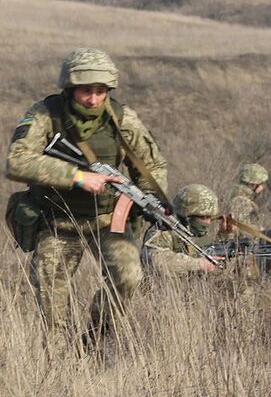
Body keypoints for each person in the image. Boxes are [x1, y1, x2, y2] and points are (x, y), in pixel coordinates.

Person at [5, 47, 167, 347]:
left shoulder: (122, 118)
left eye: (100, 91)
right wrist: (77, 177)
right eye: (85, 91)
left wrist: (151, 199)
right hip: (57, 223)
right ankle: (61, 369)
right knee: (52, 307)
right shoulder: (44, 116)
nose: (93, 99)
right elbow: (17, 161)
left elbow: (152, 165)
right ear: (69, 88)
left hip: (106, 221)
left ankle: (94, 339)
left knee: (129, 277)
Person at [142, 184, 234, 276]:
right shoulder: (164, 231)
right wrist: (198, 264)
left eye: (209, 217)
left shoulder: (196, 234)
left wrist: (225, 235)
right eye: (202, 217)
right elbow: (155, 260)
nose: (208, 222)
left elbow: (210, 257)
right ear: (186, 216)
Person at [229, 163, 268, 228]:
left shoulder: (236, 195)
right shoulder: (241, 201)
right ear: (253, 185)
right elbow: (242, 230)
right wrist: (260, 231)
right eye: (261, 184)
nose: (262, 187)